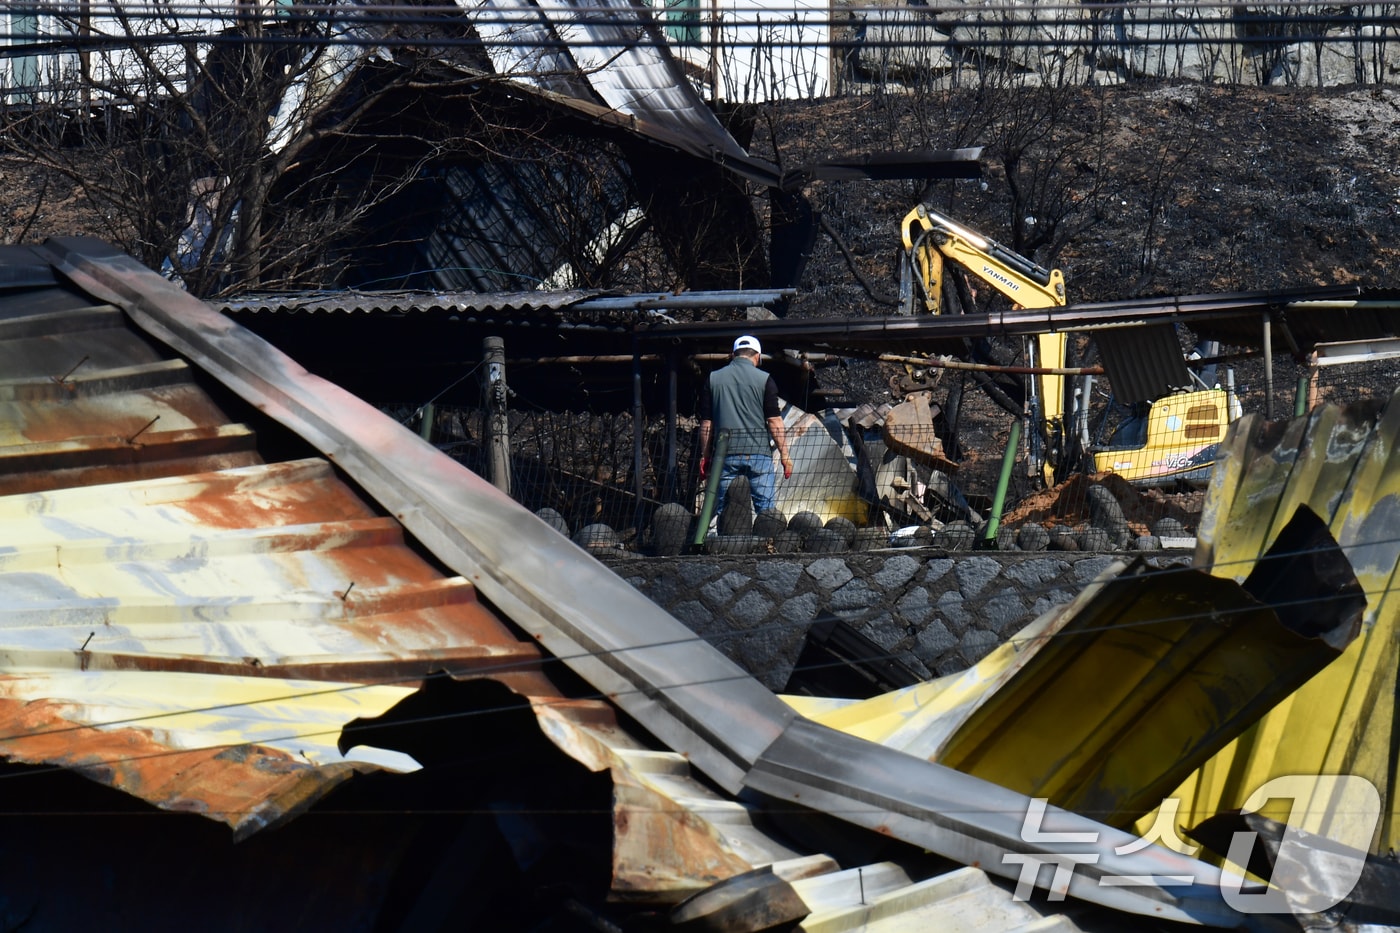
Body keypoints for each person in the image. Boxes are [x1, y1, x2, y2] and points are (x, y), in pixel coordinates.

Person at [697, 335, 794, 521]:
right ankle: (767, 544)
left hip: (725, 456)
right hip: (759, 454)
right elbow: (774, 422)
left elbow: (707, 424)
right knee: (766, 512)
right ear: (758, 356)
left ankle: (719, 546)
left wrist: (706, 455)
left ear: (733, 355)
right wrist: (785, 454)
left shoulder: (713, 379)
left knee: (722, 510)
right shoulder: (765, 380)